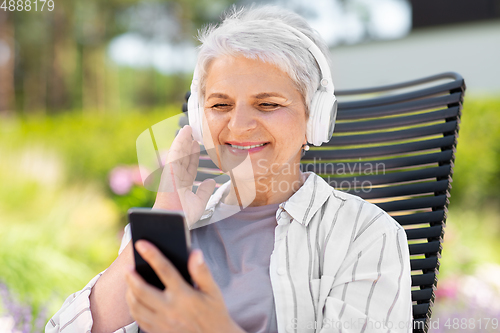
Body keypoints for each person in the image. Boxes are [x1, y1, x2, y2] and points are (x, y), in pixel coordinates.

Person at [46, 5, 412, 333]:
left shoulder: (364, 235)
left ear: (314, 120)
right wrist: (163, 221)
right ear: (198, 118)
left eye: (267, 104)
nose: (238, 126)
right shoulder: (171, 220)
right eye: (220, 105)